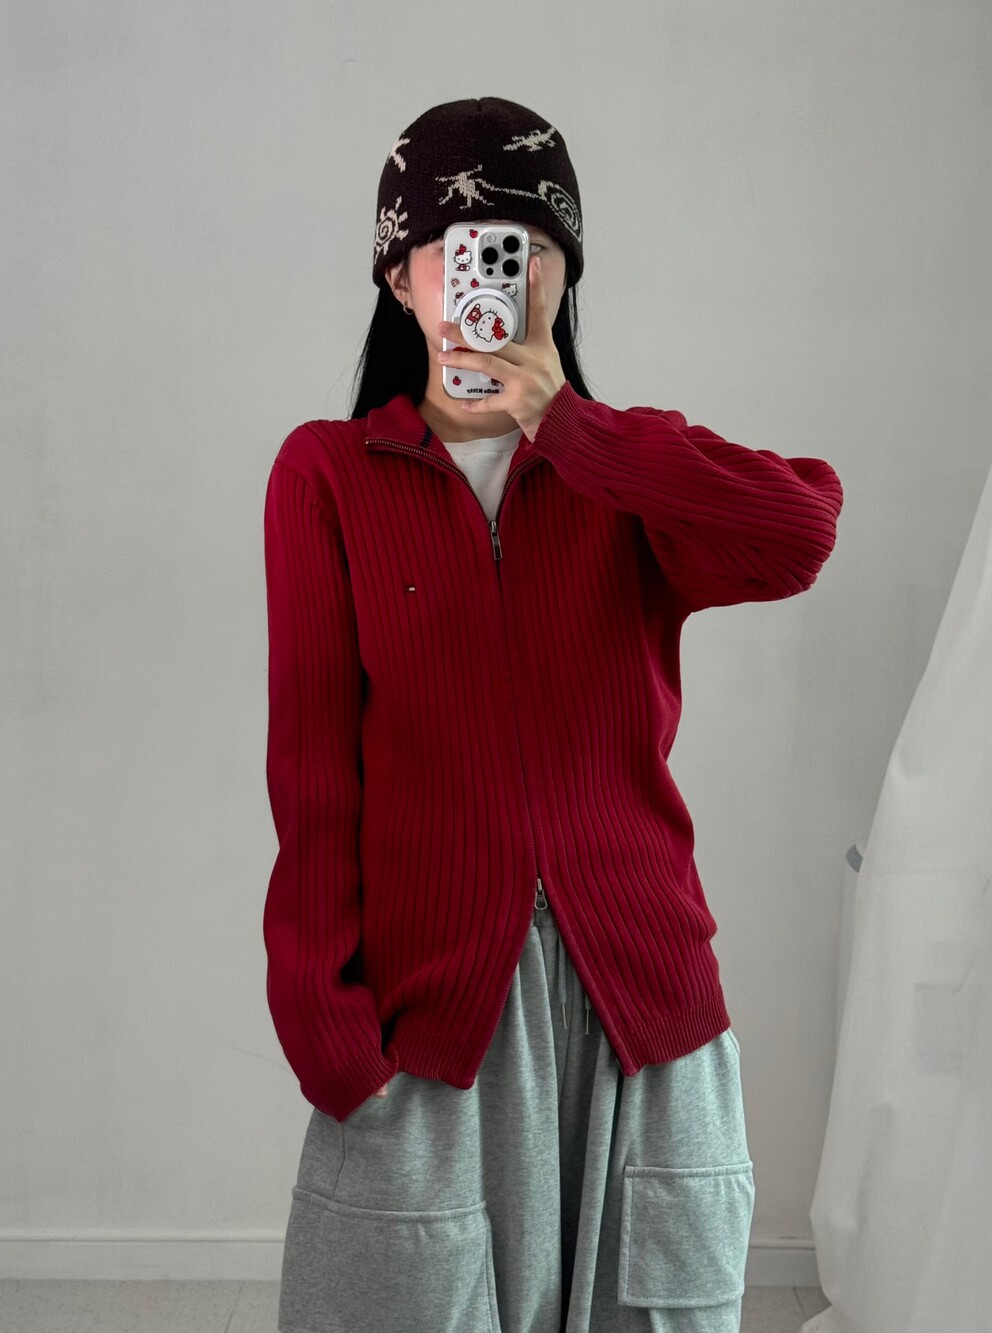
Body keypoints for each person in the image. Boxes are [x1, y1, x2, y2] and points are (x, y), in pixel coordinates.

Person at [263, 96, 844, 1333]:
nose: (487, 273)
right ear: (399, 276)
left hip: (644, 1007)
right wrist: (323, 1022)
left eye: (521, 247)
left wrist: (566, 425)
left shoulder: (623, 472)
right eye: (453, 244)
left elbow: (798, 530)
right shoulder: (326, 474)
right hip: (432, 1019)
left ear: (563, 272)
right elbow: (312, 773)